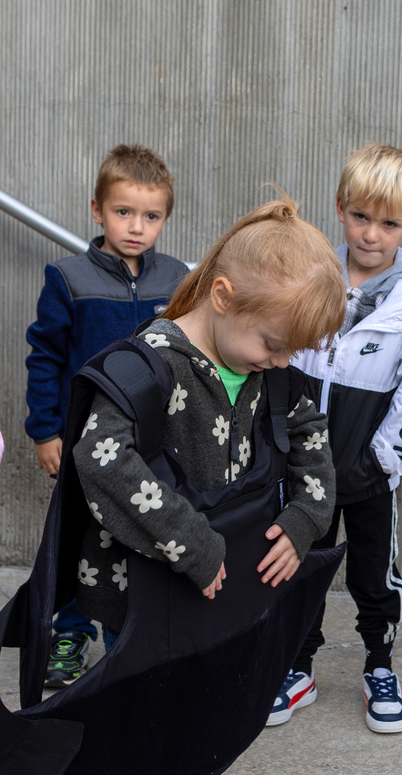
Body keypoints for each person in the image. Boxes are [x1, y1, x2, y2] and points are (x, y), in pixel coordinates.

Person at [71, 194, 344, 775]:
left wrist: (304, 519)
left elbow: (310, 438)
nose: (279, 362)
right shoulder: (148, 364)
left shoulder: (264, 363)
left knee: (200, 726)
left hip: (215, 598)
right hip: (143, 597)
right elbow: (99, 457)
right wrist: (191, 542)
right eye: (272, 344)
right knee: (153, 741)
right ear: (222, 296)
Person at [266, 142, 402, 734]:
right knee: (301, 566)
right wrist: (281, 446)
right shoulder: (313, 276)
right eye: (361, 217)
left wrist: (380, 464)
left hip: (366, 475)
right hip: (302, 470)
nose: (371, 234)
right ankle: (298, 666)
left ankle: (379, 665)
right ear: (340, 208)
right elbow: (280, 357)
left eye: (388, 224)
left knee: (373, 574)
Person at [25, 144, 187, 686]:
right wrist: (45, 431)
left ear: (165, 218)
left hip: (152, 442)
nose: (136, 227)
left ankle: (133, 634)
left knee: (138, 534)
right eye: (123, 212)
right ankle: (70, 632)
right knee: (80, 537)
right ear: (97, 210)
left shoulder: (176, 279)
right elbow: (45, 358)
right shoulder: (68, 278)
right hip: (82, 441)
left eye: (151, 216)